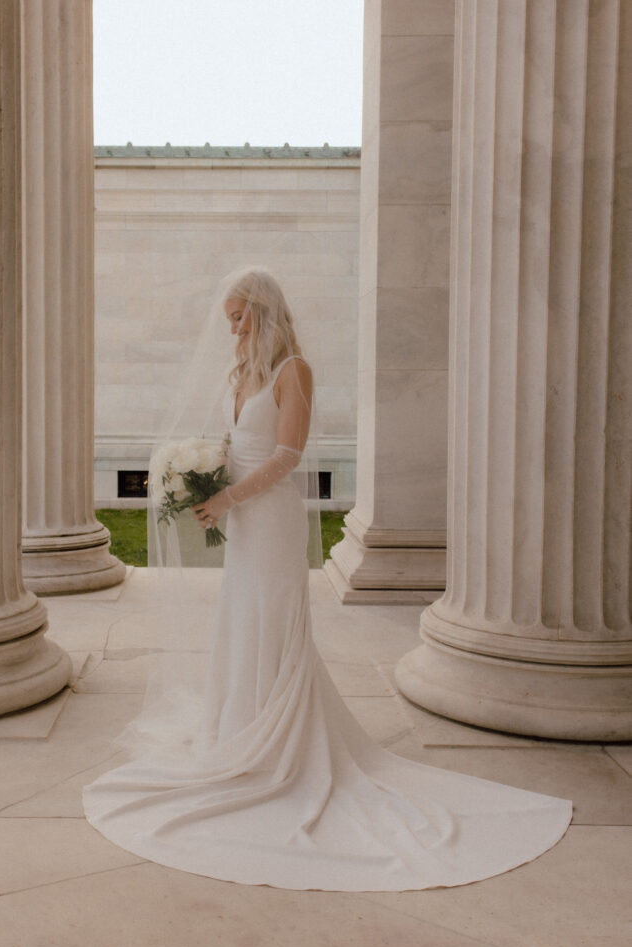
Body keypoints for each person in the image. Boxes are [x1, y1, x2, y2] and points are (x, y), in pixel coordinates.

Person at [83, 268, 572, 892]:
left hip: (271, 516)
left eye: (241, 316)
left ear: (266, 311)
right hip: (243, 515)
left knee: (275, 618)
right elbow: (239, 444)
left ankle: (282, 745)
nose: (234, 327)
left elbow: (287, 456)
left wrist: (228, 498)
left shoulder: (295, 370)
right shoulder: (242, 374)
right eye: (229, 318)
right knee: (243, 615)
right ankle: (241, 727)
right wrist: (196, 473)